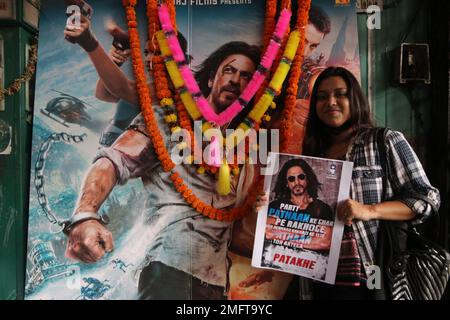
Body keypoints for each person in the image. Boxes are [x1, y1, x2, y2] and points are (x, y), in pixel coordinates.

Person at [63, 13, 261, 299]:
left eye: (246, 76)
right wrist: (84, 214)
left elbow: (236, 235)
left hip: (216, 284)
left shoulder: (246, 151)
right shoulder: (168, 118)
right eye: (229, 70)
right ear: (211, 78)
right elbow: (112, 161)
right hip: (169, 270)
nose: (235, 80)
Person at [299, 66, 440, 299]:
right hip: (320, 279)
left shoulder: (384, 141)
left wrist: (370, 210)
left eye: (340, 94)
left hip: (372, 278)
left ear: (354, 99)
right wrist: (272, 205)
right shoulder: (313, 153)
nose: (331, 101)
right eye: (322, 97)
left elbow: (428, 198)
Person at [267, 158, 334, 251]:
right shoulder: (275, 206)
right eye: (291, 179)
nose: (297, 182)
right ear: (286, 183)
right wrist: (311, 238)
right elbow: (268, 232)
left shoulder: (323, 209)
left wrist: (281, 234)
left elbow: (324, 242)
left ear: (308, 179)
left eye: (301, 177)